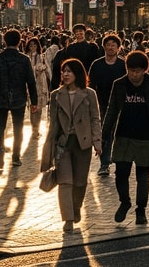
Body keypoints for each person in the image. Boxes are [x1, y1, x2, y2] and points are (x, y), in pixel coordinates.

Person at [101, 50, 149, 225]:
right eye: (131, 70)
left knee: (142, 175)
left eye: (138, 71)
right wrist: (103, 137)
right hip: (123, 135)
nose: (134, 74)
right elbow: (111, 111)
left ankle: (141, 210)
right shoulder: (119, 84)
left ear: (145, 70)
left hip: (147, 136)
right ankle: (124, 202)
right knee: (121, 174)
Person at [42, 59, 101, 233]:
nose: (65, 74)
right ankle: (68, 219)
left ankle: (76, 208)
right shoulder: (56, 95)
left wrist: (97, 142)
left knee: (80, 181)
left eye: (69, 71)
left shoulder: (89, 94)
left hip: (82, 143)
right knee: (65, 181)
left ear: (78, 74)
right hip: (63, 144)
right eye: (63, 71)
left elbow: (95, 119)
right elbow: (53, 124)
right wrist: (49, 147)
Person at [0, 28, 38, 167]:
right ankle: (16, 156)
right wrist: (34, 101)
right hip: (19, 98)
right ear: (20, 41)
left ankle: (0, 152)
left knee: (0, 127)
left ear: (4, 41)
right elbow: (31, 82)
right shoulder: (24, 59)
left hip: (0, 97)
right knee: (18, 128)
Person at [88, 34, 127, 176]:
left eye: (113, 45)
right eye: (108, 45)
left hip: (120, 104)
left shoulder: (123, 65)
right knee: (105, 132)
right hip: (101, 103)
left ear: (118, 48)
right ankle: (104, 163)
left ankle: (118, 159)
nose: (110, 47)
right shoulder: (97, 64)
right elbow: (90, 85)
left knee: (119, 133)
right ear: (104, 47)